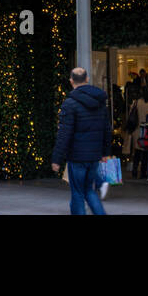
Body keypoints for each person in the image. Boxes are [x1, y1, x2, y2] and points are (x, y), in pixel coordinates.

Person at [51, 67, 108, 215]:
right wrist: (105, 152)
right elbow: (106, 128)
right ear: (87, 79)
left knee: (78, 193)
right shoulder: (100, 102)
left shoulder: (69, 104)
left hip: (77, 157)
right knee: (89, 190)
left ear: (71, 81)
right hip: (94, 155)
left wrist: (57, 159)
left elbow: (64, 134)